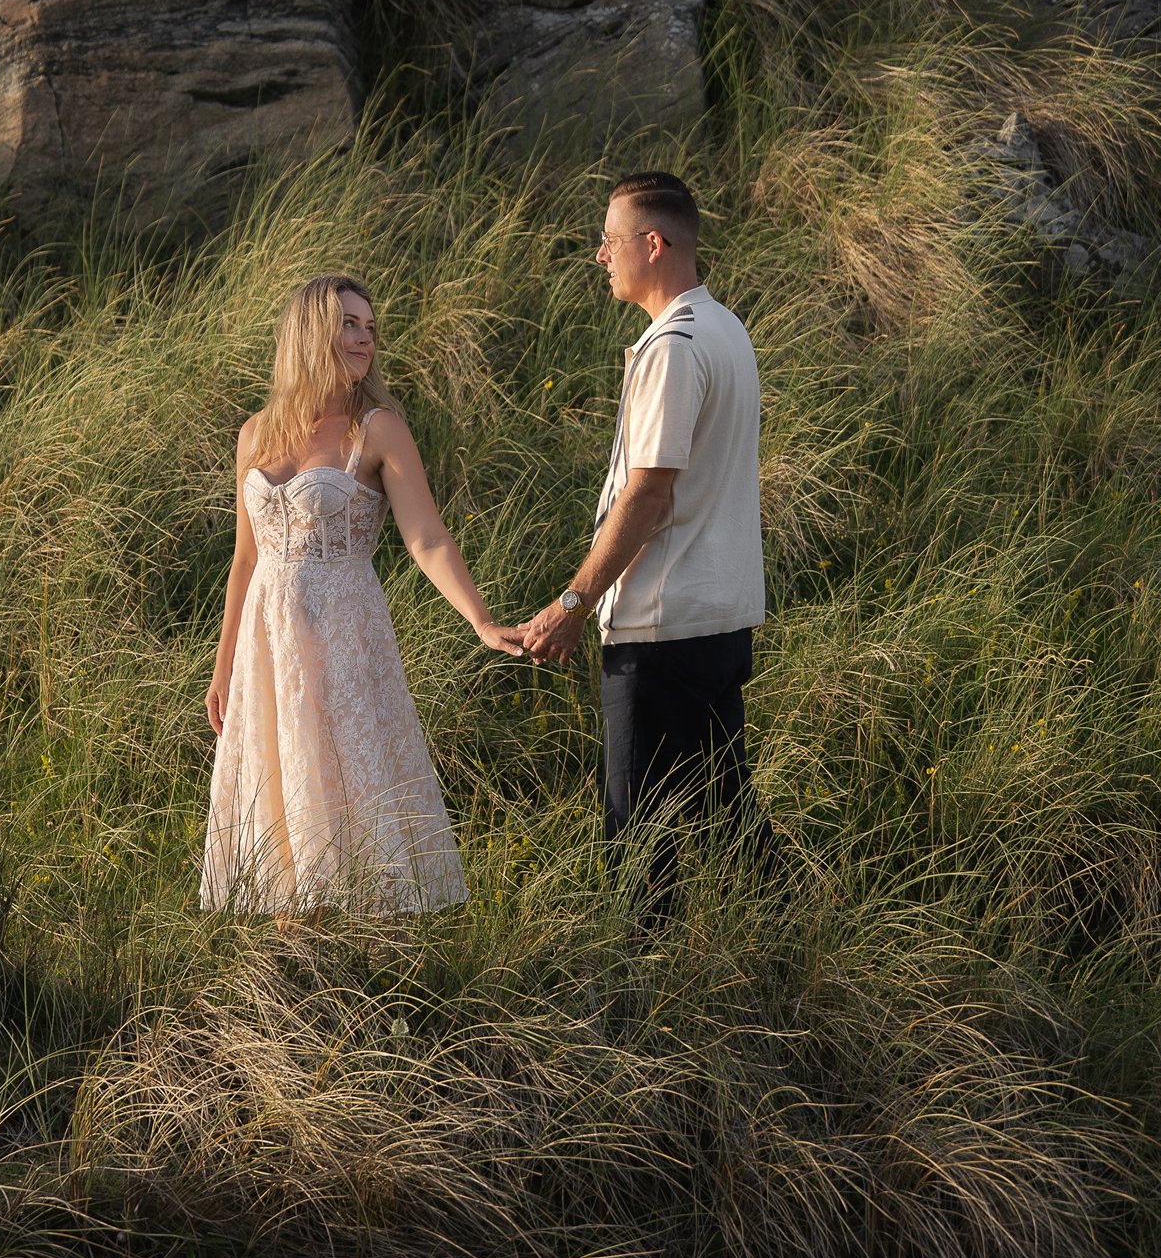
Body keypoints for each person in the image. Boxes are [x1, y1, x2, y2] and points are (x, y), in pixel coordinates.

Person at [202, 273, 523, 917]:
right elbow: (244, 559)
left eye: (370, 328)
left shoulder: (378, 430)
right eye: (349, 324)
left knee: (353, 785)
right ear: (310, 331)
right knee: (282, 781)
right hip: (269, 645)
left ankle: (371, 952)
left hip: (345, 633)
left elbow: (427, 539)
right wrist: (223, 663)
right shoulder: (255, 434)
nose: (364, 339)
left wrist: (483, 622)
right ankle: (290, 954)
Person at [522, 171, 772, 919]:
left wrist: (574, 601)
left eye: (609, 241)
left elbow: (650, 494)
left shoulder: (675, 345)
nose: (601, 256)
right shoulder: (726, 328)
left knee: (636, 835)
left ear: (653, 244)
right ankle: (801, 947)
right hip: (719, 613)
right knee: (726, 813)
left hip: (661, 625)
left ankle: (636, 1008)